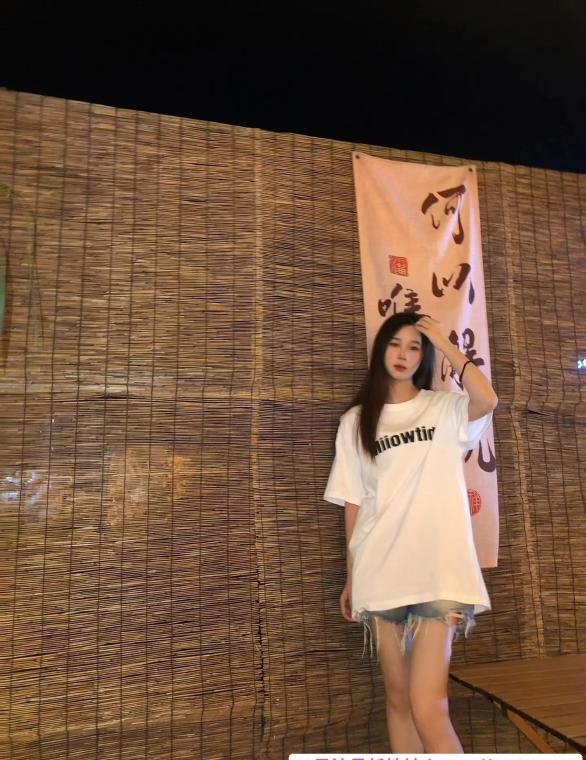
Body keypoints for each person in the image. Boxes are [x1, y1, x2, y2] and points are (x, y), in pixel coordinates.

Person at [323, 311, 498, 753]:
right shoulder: (356, 421)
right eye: (395, 344)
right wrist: (352, 577)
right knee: (399, 702)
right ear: (380, 349)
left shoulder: (444, 408)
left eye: (414, 346)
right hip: (380, 573)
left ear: (425, 356)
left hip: (439, 574)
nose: (403, 354)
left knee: (428, 707)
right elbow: (354, 504)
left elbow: (487, 399)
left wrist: (443, 340)